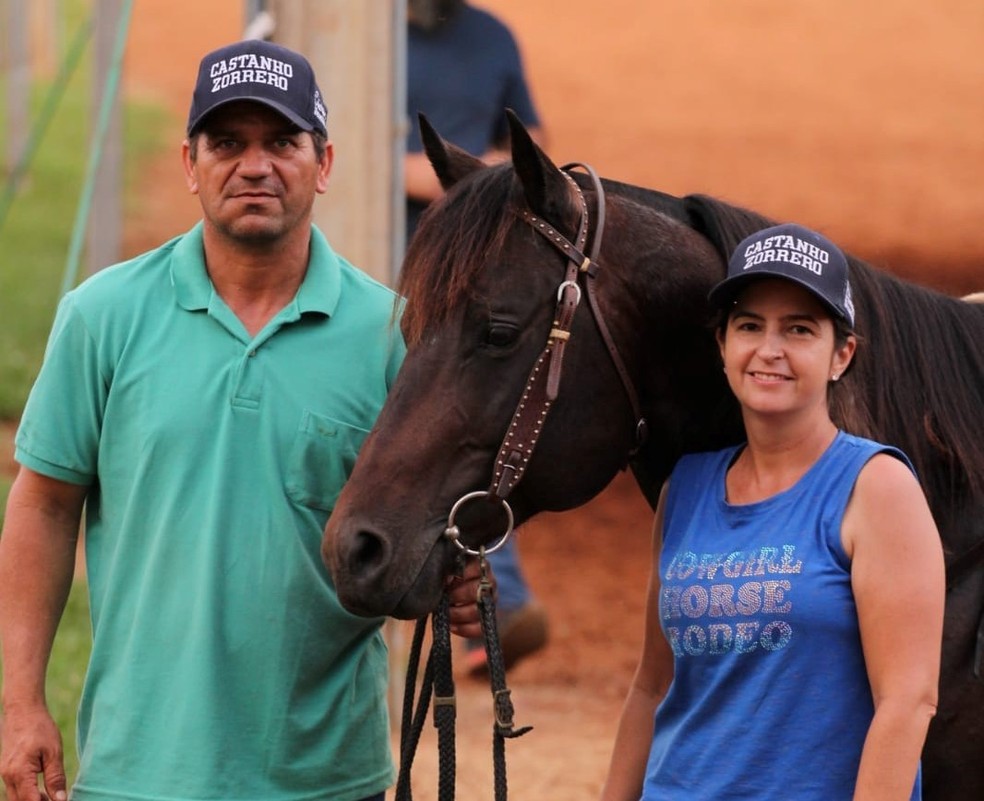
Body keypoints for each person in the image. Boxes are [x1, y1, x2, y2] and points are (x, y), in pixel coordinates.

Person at [0, 40, 488, 801]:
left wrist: (459, 577)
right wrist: (20, 702)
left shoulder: (398, 338)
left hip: (324, 778)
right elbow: (43, 501)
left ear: (323, 163)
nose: (254, 165)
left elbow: (436, 521)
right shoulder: (102, 316)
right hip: (137, 772)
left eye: (282, 142)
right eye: (227, 143)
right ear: (190, 164)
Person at [601, 223, 945, 800]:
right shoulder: (683, 488)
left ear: (842, 354)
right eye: (749, 326)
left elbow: (908, 701)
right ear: (723, 346)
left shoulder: (877, 487)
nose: (769, 349)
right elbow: (651, 685)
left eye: (800, 330)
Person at [405, 0, 549, 677]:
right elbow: (364, 164)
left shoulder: (494, 37)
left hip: (471, 280)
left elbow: (536, 154)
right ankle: (499, 600)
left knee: (458, 427)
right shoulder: (361, 47)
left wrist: (481, 179)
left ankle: (498, 601)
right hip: (402, 270)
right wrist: (478, 178)